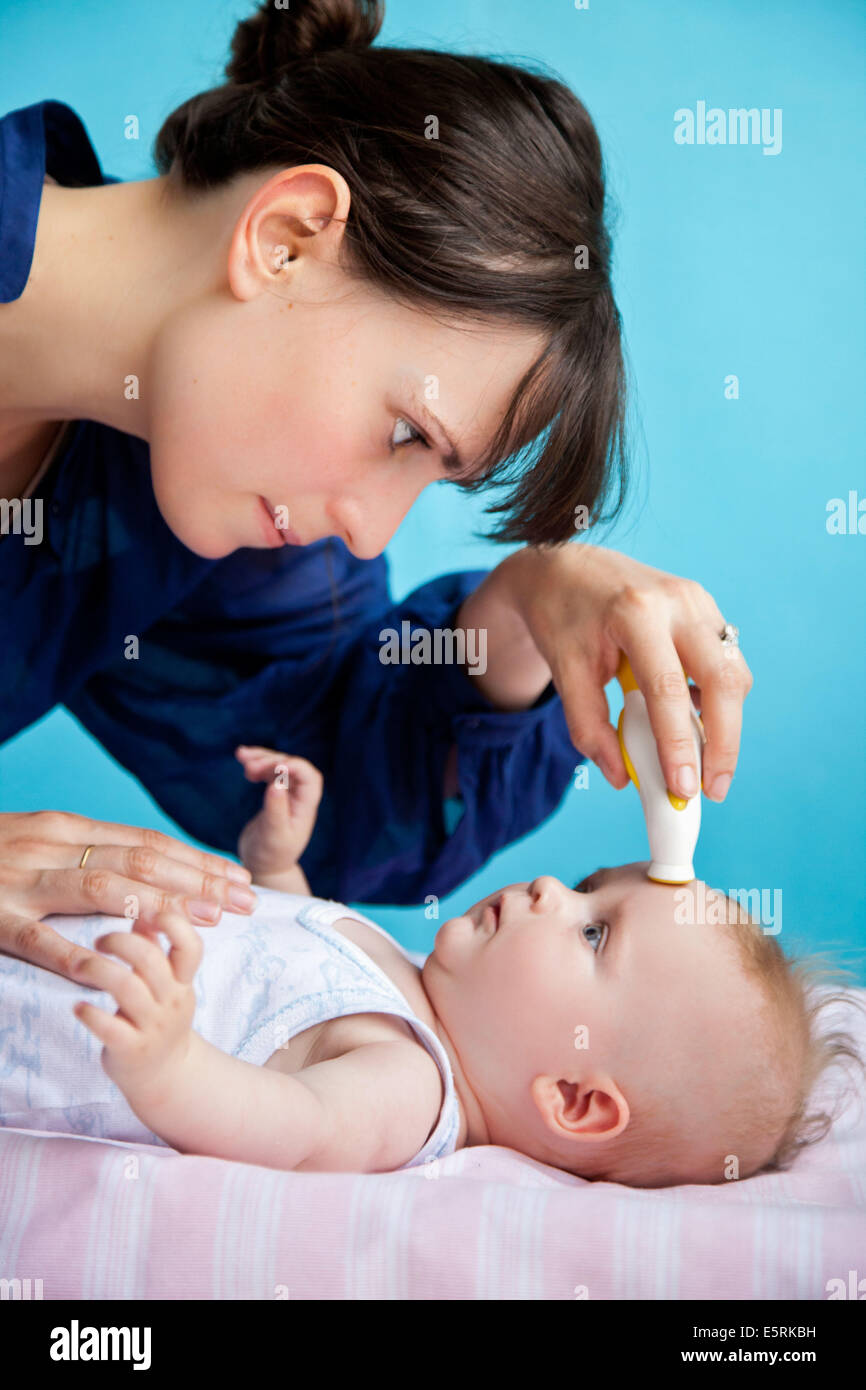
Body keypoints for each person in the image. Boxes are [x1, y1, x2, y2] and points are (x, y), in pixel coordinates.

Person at [0, 0, 751, 981]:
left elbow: (332, 801)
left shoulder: (182, 495)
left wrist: (525, 608)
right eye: (405, 433)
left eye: (430, 473)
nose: (365, 534)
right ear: (289, 238)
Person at [1, 747, 860, 1187]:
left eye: (594, 934)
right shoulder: (406, 978)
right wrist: (278, 868)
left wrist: (169, 1062)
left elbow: (288, 1123)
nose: (550, 891)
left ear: (574, 1099)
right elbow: (290, 975)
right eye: (589, 885)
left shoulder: (409, 1086)